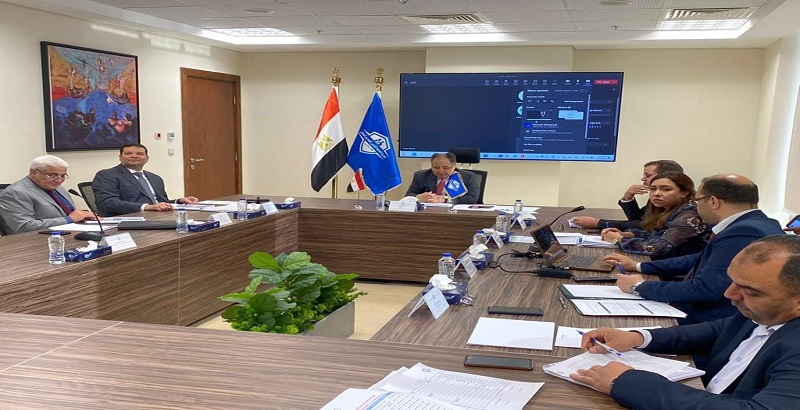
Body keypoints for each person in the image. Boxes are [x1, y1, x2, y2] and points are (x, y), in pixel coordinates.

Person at [570, 235, 800, 409]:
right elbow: (718, 330)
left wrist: (626, 382)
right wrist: (639, 337)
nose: (729, 294)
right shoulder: (766, 311)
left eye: (750, 291)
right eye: (732, 281)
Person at [605, 174, 785, 325]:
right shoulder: (757, 223)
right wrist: (639, 266)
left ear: (713, 201)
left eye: (697, 200)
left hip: (709, 320)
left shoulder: (743, 232)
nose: (695, 206)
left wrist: (639, 286)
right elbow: (700, 258)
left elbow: (705, 289)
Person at [600, 172, 710, 260]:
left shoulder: (689, 216)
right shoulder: (667, 208)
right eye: (653, 189)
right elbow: (657, 234)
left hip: (678, 273)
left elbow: (657, 248)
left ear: (684, 193)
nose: (656, 193)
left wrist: (618, 239)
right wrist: (628, 234)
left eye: (666, 189)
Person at [572, 160, 684, 230]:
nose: (643, 179)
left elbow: (643, 225)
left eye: (647, 175)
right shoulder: (657, 197)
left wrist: (599, 223)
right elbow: (638, 220)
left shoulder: (681, 206)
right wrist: (628, 198)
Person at [92, 143, 198, 217]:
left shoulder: (155, 178)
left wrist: (178, 201)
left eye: (139, 154)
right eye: (128, 153)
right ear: (120, 157)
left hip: (158, 217)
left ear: (147, 158)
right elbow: (108, 203)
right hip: (129, 220)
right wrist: (147, 207)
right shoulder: (107, 175)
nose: (134, 156)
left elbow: (159, 202)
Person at [0, 155, 95, 234]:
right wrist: (69, 219)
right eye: (52, 175)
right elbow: (24, 226)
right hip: (32, 242)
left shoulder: (57, 188)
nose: (59, 180)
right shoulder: (15, 193)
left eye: (63, 176)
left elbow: (68, 213)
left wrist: (84, 216)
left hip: (65, 234)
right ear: (33, 172)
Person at [405, 152, 480, 205]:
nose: (441, 171)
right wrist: (418, 197)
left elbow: (472, 198)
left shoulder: (468, 176)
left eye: (446, 168)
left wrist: (446, 200)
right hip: (428, 213)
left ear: (454, 166)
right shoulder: (421, 176)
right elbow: (409, 195)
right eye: (436, 167)